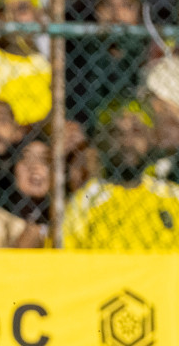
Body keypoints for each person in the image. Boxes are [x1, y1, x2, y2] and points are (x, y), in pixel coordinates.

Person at [64, 99, 179, 249]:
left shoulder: (173, 196)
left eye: (136, 131)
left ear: (151, 138)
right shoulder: (86, 201)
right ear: (103, 142)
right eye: (117, 133)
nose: (127, 142)